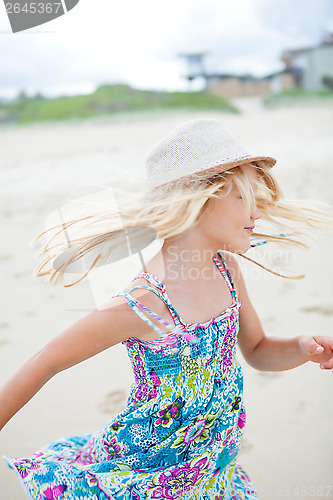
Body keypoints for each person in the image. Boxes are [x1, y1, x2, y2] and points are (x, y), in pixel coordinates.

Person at [1, 118, 333, 500]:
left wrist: (301, 348)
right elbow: (46, 361)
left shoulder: (227, 271)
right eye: (244, 198)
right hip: (151, 472)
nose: (257, 213)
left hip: (209, 469)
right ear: (199, 199)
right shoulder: (143, 302)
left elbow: (257, 351)